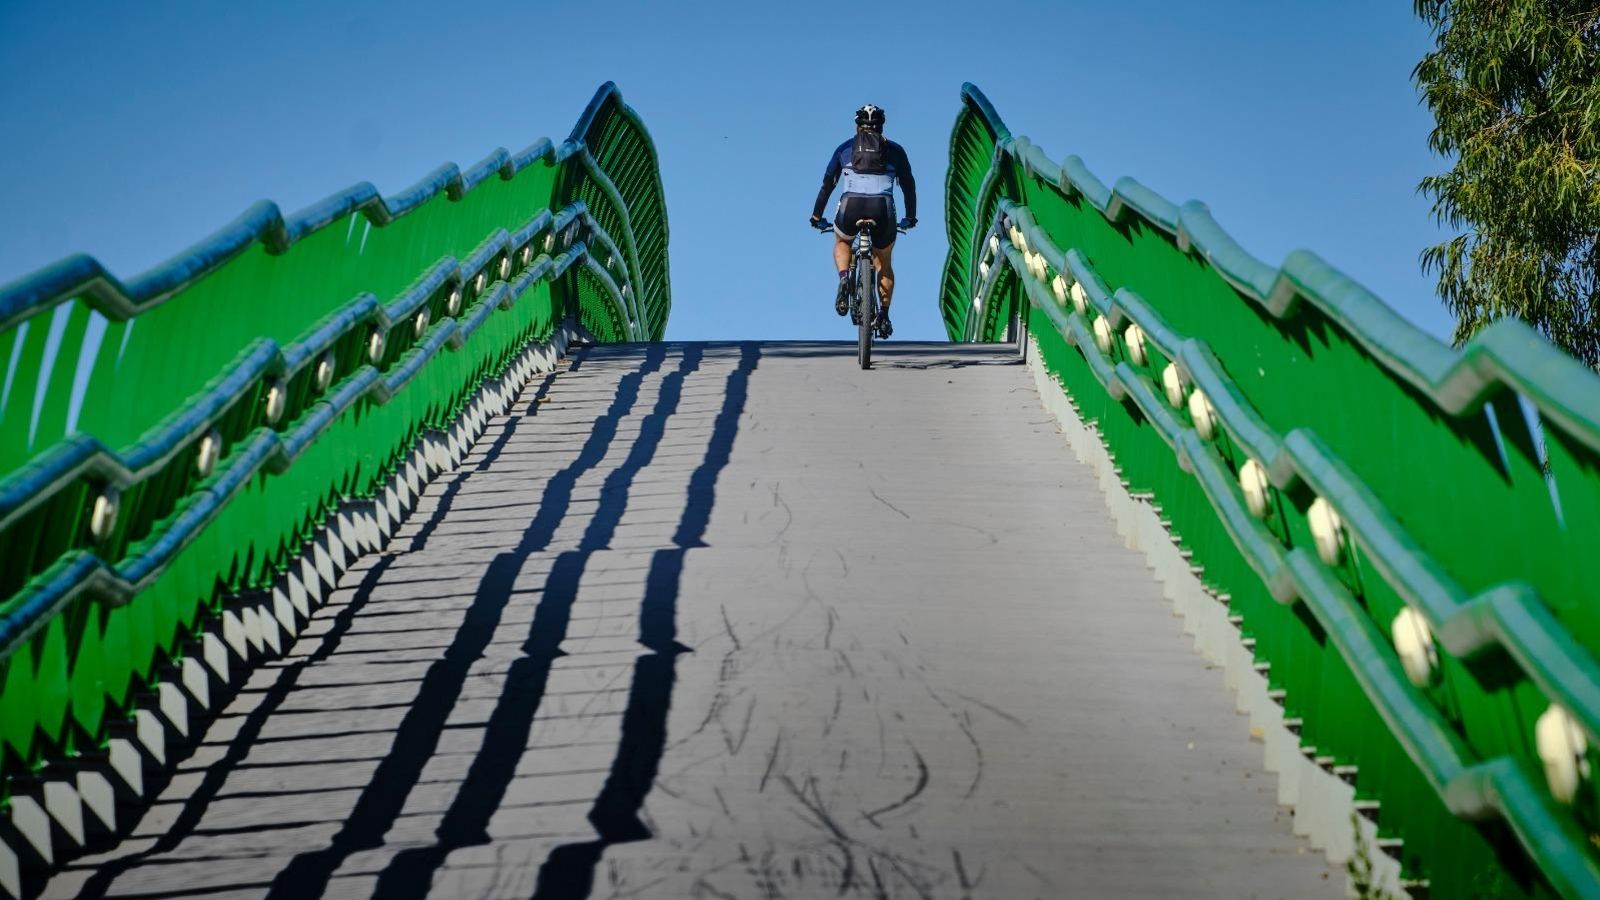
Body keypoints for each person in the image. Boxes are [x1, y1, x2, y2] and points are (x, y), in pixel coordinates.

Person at [810, 104, 916, 338]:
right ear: (881, 126)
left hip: (851, 206)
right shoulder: (896, 151)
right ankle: (884, 314)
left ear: (858, 127)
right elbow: (908, 186)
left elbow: (828, 184)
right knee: (884, 261)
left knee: (842, 241)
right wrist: (910, 217)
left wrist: (817, 216)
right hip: (883, 209)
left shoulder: (845, 148)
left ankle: (844, 277)